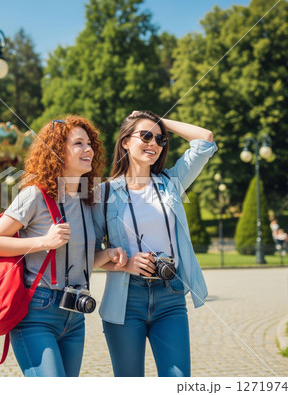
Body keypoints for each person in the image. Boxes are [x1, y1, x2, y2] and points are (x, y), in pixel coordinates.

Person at [0, 115, 125, 377]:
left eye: (90, 143)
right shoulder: (34, 195)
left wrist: (106, 255)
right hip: (38, 313)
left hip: (75, 315)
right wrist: (43, 242)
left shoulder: (86, 200)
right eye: (78, 143)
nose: (88, 149)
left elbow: (74, 261)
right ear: (57, 151)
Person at [92, 110, 217, 377]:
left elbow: (205, 140)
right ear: (125, 141)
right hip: (126, 300)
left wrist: (159, 121)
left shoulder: (172, 183)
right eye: (145, 136)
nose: (154, 144)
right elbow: (89, 255)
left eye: (160, 140)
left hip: (170, 296)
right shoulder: (103, 194)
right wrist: (124, 265)